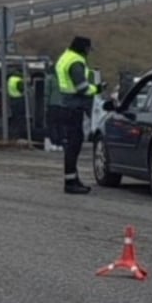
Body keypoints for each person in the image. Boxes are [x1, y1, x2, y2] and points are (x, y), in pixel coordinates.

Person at [54, 35, 105, 194]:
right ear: (84, 48)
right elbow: (82, 87)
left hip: (65, 105)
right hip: (73, 108)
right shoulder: (76, 62)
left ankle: (72, 178)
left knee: (71, 144)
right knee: (74, 145)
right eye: (89, 49)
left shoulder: (65, 57)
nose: (89, 53)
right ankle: (70, 182)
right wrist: (98, 89)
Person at [43, 65, 64, 152]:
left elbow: (47, 93)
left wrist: (45, 106)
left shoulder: (50, 79)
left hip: (52, 105)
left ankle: (53, 143)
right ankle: (60, 144)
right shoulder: (63, 80)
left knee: (52, 125)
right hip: (63, 105)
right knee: (61, 125)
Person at [6, 73, 25, 139]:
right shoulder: (18, 80)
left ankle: (13, 133)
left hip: (12, 99)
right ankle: (20, 133)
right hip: (19, 99)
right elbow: (22, 89)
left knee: (14, 117)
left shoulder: (10, 80)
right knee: (20, 117)